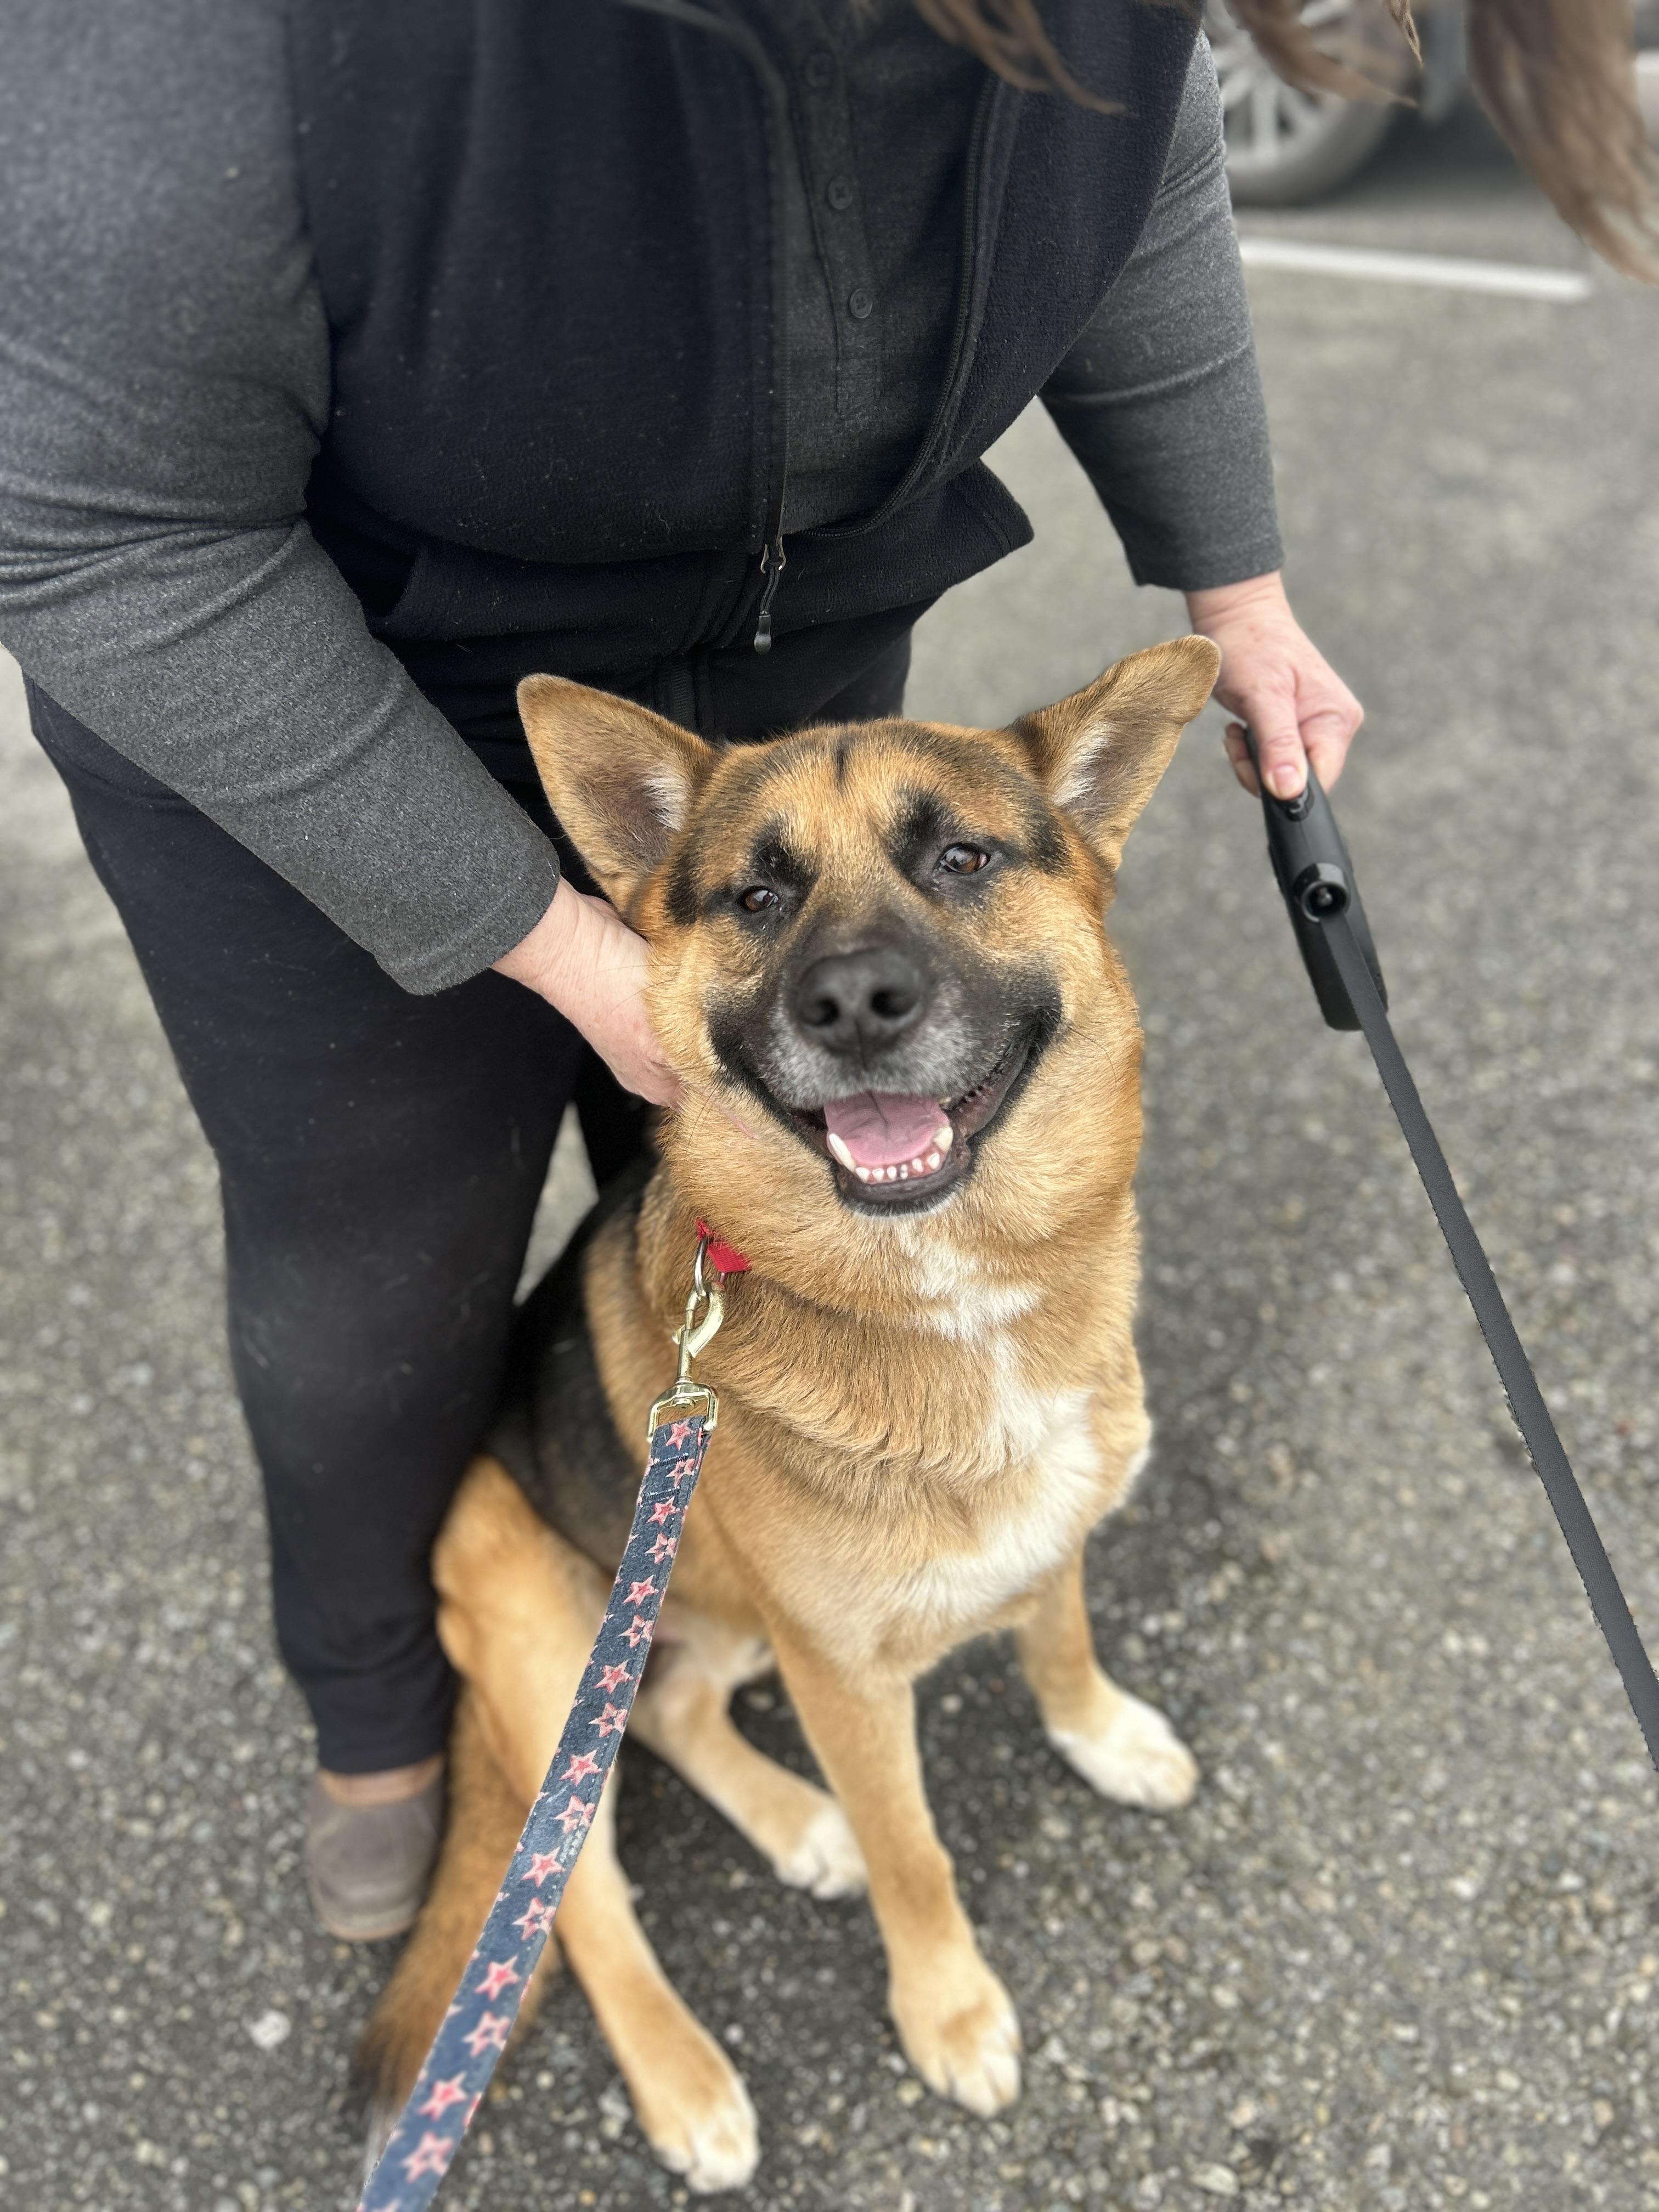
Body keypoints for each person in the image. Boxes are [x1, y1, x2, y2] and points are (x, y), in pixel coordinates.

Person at [0, 0, 1637, 1942]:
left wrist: (1240, 582)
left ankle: (778, 1543)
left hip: (783, 654)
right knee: (380, 1254)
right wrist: (561, 950)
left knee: (762, 1188)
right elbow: (104, 534)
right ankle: (380, 1710)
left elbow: (1134, 170)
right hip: (287, 660)